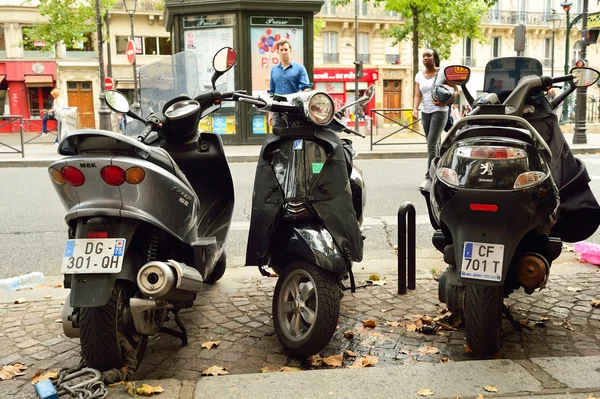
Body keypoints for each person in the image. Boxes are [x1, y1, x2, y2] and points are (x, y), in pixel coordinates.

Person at [412, 48, 458, 189]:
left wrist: (446, 102)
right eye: (424, 56)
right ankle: (439, 174)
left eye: (429, 55)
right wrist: (415, 108)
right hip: (425, 112)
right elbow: (418, 95)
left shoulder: (442, 73)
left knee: (431, 144)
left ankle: (429, 178)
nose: (426, 58)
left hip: (439, 111)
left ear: (434, 58)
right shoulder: (419, 75)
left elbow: (456, 91)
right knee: (434, 144)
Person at [268, 39, 312, 129]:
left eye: (286, 49)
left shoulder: (300, 68)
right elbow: (271, 92)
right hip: (278, 111)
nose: (284, 52)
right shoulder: (274, 70)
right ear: (277, 52)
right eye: (281, 50)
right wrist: (270, 114)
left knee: (295, 138)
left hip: (294, 111)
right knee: (278, 138)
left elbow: (306, 89)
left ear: (290, 51)